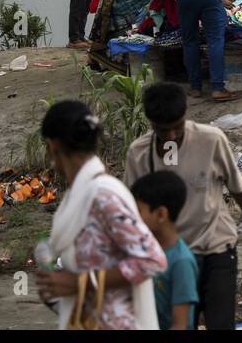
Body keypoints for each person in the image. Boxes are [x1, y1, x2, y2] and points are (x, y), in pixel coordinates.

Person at [125, 83, 242, 329]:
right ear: (150, 122)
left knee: (219, 323)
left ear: (186, 113)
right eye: (161, 130)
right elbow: (131, 210)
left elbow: (239, 189)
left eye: (176, 128)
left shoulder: (211, 140)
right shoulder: (138, 154)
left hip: (215, 248)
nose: (170, 137)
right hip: (168, 257)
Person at [36, 101, 165, 330]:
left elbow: (151, 260)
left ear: (52, 146)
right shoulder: (79, 195)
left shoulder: (102, 196)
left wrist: (79, 283)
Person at [130, 170, 200, 331]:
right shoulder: (143, 251)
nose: (133, 217)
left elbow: (179, 325)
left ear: (161, 214)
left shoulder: (181, 262)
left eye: (139, 210)